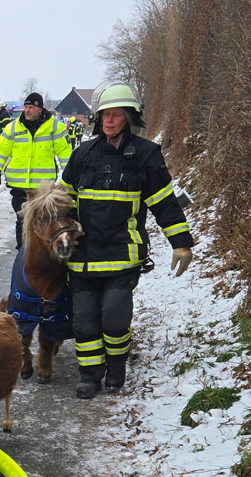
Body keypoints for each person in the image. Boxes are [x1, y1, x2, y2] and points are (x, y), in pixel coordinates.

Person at [60, 81, 194, 398]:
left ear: (129, 117)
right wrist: (57, 232)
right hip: (83, 255)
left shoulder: (147, 155)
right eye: (105, 114)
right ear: (97, 117)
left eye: (116, 114)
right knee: (85, 320)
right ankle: (90, 375)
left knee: (114, 315)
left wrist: (181, 242)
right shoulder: (82, 155)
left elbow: (164, 202)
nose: (109, 120)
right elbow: (63, 201)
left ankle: (116, 367)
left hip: (123, 253)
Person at [0, 92, 72, 248]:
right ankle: (22, 251)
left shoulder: (54, 127)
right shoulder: (13, 127)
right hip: (19, 186)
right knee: (22, 220)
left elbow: (65, 154)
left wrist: (70, 178)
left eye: (31, 107)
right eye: (26, 107)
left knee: (42, 220)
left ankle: (39, 250)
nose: (27, 110)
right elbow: (1, 150)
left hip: (42, 188)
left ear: (40, 109)